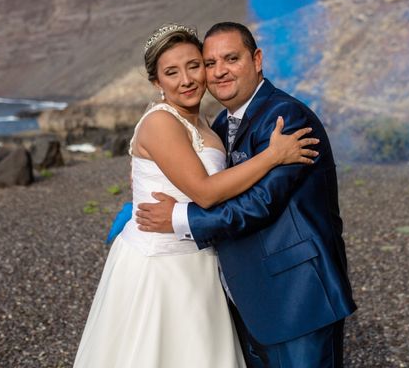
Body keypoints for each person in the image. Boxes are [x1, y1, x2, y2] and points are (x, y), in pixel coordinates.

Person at [73, 23, 319, 368]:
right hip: (161, 266)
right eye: (171, 72)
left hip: (201, 261)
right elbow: (204, 193)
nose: (187, 79)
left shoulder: (209, 122)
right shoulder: (161, 122)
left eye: (194, 66)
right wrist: (273, 156)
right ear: (157, 83)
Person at [137, 22, 357, 368]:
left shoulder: (286, 117)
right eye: (210, 63)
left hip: (297, 296)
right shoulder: (220, 126)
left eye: (231, 58)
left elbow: (261, 203)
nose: (219, 71)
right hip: (247, 296)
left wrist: (180, 218)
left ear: (256, 59)